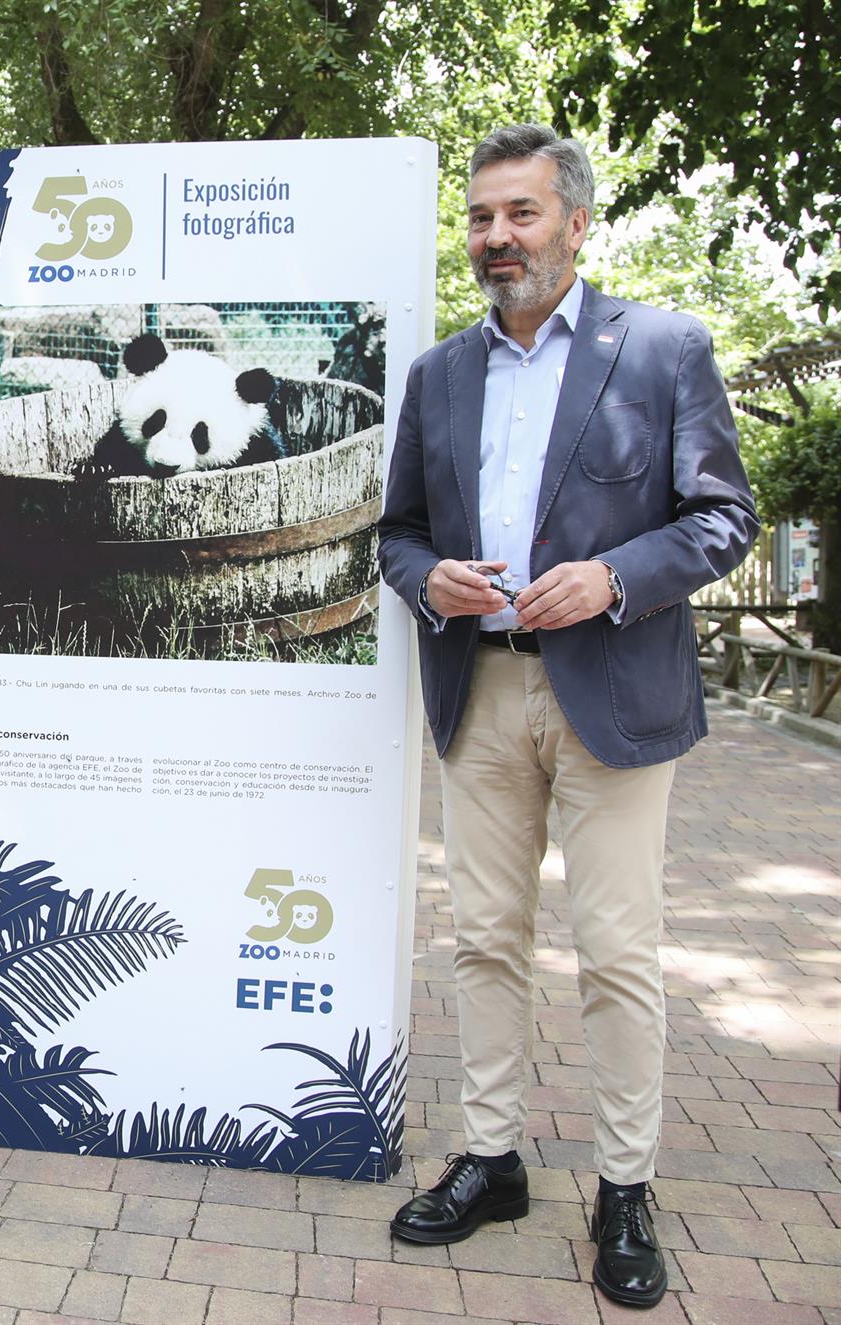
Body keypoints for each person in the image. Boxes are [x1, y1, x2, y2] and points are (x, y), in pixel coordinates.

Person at [378, 125, 757, 1309]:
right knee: (486, 939)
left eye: (521, 215)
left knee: (617, 954)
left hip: (614, 692)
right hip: (479, 691)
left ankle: (625, 1186)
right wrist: (422, 575)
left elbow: (723, 516)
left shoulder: (662, 348)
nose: (496, 237)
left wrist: (615, 576)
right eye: (483, 217)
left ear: (575, 224)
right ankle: (493, 1159)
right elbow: (397, 531)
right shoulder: (440, 373)